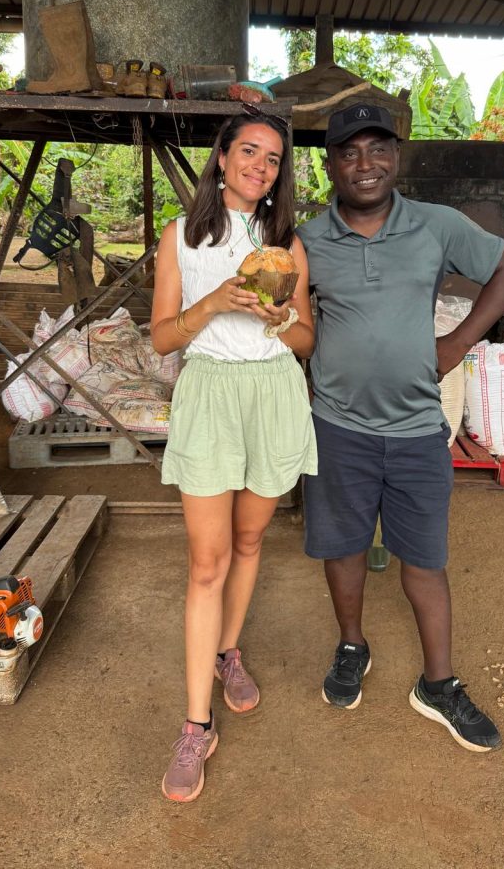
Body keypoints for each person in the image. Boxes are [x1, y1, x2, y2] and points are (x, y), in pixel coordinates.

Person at [297, 102, 504, 752]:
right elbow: (286, 314)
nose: (366, 164)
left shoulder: (435, 225)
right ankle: (352, 646)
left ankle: (439, 683)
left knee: (424, 560)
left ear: (396, 157)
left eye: (379, 149)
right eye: (350, 152)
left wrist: (456, 341)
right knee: (341, 548)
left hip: (417, 429)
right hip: (337, 426)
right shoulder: (310, 241)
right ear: (330, 165)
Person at [151, 110, 317, 802]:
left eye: (273, 158)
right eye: (248, 150)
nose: (260, 165)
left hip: (274, 393)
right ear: (220, 158)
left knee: (250, 541)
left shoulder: (288, 245)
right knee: (206, 562)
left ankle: (228, 653)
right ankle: (196, 726)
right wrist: (216, 302)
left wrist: (278, 317)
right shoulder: (182, 236)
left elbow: (306, 340)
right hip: (212, 395)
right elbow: (162, 339)